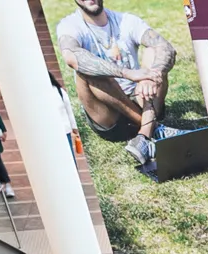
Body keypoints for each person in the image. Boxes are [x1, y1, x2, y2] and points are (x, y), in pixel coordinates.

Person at [55, 0, 176, 167]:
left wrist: (150, 76)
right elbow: (71, 57)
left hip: (143, 98)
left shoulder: (126, 20)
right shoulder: (69, 25)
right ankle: (151, 126)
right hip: (109, 116)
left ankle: (144, 134)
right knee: (87, 68)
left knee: (154, 50)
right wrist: (127, 73)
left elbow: (166, 48)